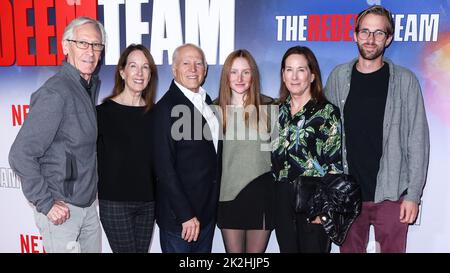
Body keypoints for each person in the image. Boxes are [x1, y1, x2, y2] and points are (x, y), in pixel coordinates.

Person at [324, 5, 430, 253]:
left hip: (393, 195)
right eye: (365, 32)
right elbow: (325, 138)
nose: (370, 39)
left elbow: (418, 140)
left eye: (379, 33)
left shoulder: (405, 81)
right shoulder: (338, 77)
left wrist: (413, 195)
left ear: (389, 38)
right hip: (347, 195)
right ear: (355, 35)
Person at [8, 17, 106, 253]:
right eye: (82, 43)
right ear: (65, 47)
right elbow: (20, 154)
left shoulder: (86, 87)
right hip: (63, 213)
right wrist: (46, 203)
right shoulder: (57, 92)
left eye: (96, 45)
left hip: (87, 207)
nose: (90, 52)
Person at [271, 46, 343, 253]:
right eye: (289, 69)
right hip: (282, 200)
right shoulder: (276, 112)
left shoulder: (327, 113)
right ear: (283, 75)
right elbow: (273, 161)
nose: (294, 76)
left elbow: (334, 166)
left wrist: (324, 210)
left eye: (301, 70)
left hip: (314, 199)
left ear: (312, 75)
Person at [151, 43, 221, 253]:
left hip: (206, 215)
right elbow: (164, 168)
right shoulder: (165, 108)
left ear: (205, 70)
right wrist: (185, 215)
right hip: (181, 221)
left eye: (198, 63)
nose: (193, 68)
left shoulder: (209, 103)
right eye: (186, 63)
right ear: (174, 69)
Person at [96, 44, 157, 253]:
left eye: (145, 67)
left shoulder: (155, 114)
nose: (139, 73)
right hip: (115, 203)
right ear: (122, 72)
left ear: (150, 74)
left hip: (148, 203)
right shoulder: (102, 113)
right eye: (133, 66)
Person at [215, 49, 275, 253]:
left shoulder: (270, 107)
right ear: (226, 76)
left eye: (246, 72)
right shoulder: (214, 110)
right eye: (234, 72)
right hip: (227, 197)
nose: (239, 78)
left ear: (253, 76)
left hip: (262, 196)